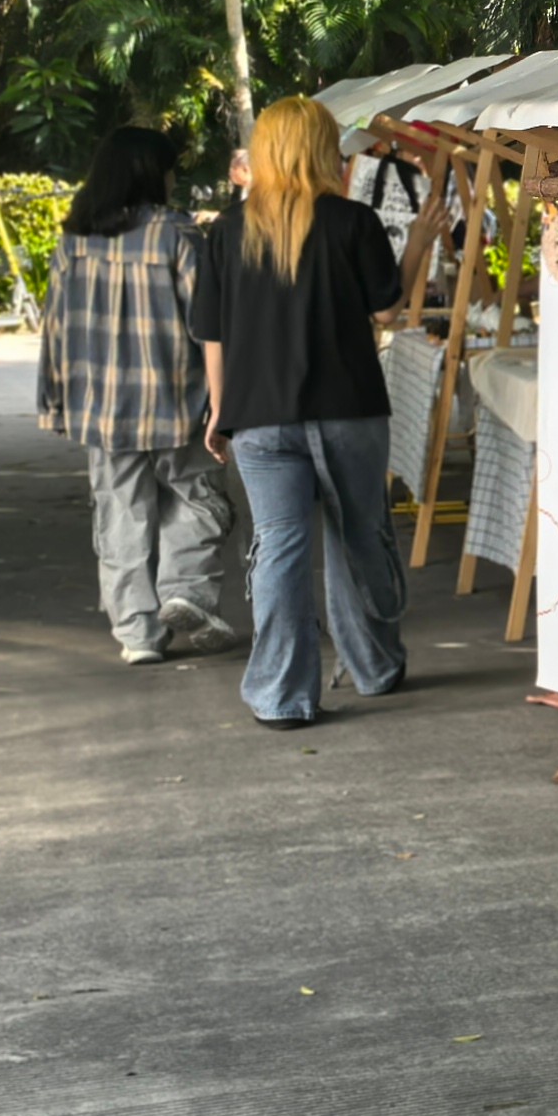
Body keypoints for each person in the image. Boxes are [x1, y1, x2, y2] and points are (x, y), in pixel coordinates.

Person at [191, 96, 407, 730]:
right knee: (359, 534)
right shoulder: (353, 222)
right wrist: (419, 244)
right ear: (322, 149)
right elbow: (387, 310)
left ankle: (282, 695)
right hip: (349, 408)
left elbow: (212, 333)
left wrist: (219, 409)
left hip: (258, 414)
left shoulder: (227, 230)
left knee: (280, 546)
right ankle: (374, 666)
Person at [36, 124, 240, 665]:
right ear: (154, 174)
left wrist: (54, 402)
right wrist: (224, 400)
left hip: (103, 408)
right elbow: (209, 325)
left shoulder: (74, 241)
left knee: (120, 513)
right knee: (197, 498)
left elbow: (56, 327)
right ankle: (185, 591)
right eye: (171, 169)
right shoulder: (179, 236)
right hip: (179, 401)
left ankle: (137, 633)